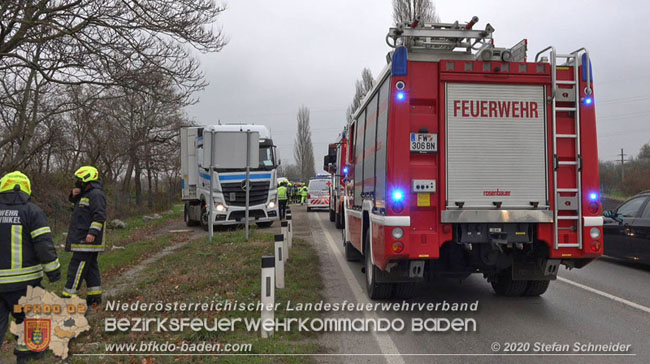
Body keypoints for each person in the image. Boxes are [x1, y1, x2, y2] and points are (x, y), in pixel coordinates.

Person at [0, 171, 61, 364]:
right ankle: (26, 357)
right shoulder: (32, 212)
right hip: (25, 284)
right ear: (26, 189)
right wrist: (53, 271)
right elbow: (43, 244)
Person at [62, 166, 106, 307]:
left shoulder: (96, 194)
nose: (77, 182)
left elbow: (99, 216)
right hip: (82, 238)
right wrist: (74, 196)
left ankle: (68, 297)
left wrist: (92, 233)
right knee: (90, 268)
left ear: (87, 179)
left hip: (86, 240)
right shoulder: (86, 194)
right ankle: (94, 297)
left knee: (76, 267)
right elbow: (79, 210)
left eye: (80, 179)